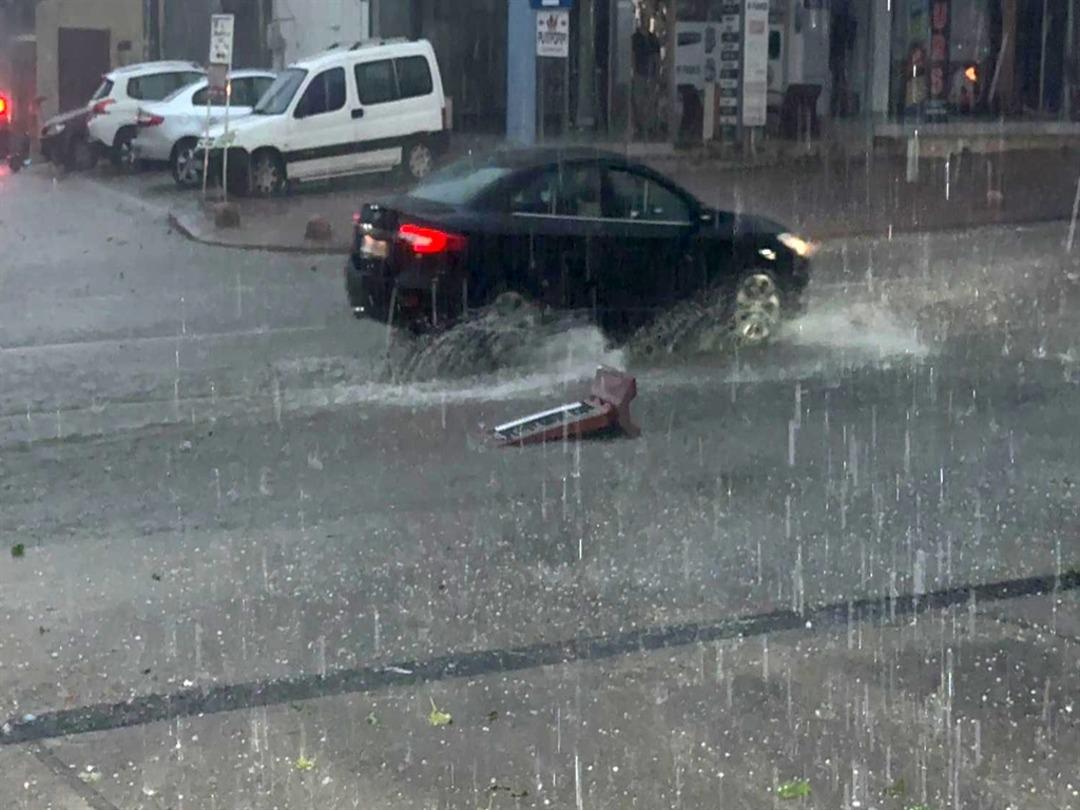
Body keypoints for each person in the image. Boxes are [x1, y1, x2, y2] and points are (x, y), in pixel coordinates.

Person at [631, 14, 661, 139]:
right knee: (638, 101)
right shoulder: (636, 38)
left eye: (648, 21)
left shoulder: (653, 38)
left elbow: (657, 58)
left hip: (651, 74)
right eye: (645, 21)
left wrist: (657, 73)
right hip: (639, 73)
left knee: (650, 101)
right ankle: (639, 125)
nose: (647, 23)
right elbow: (632, 55)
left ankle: (650, 126)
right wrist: (633, 71)